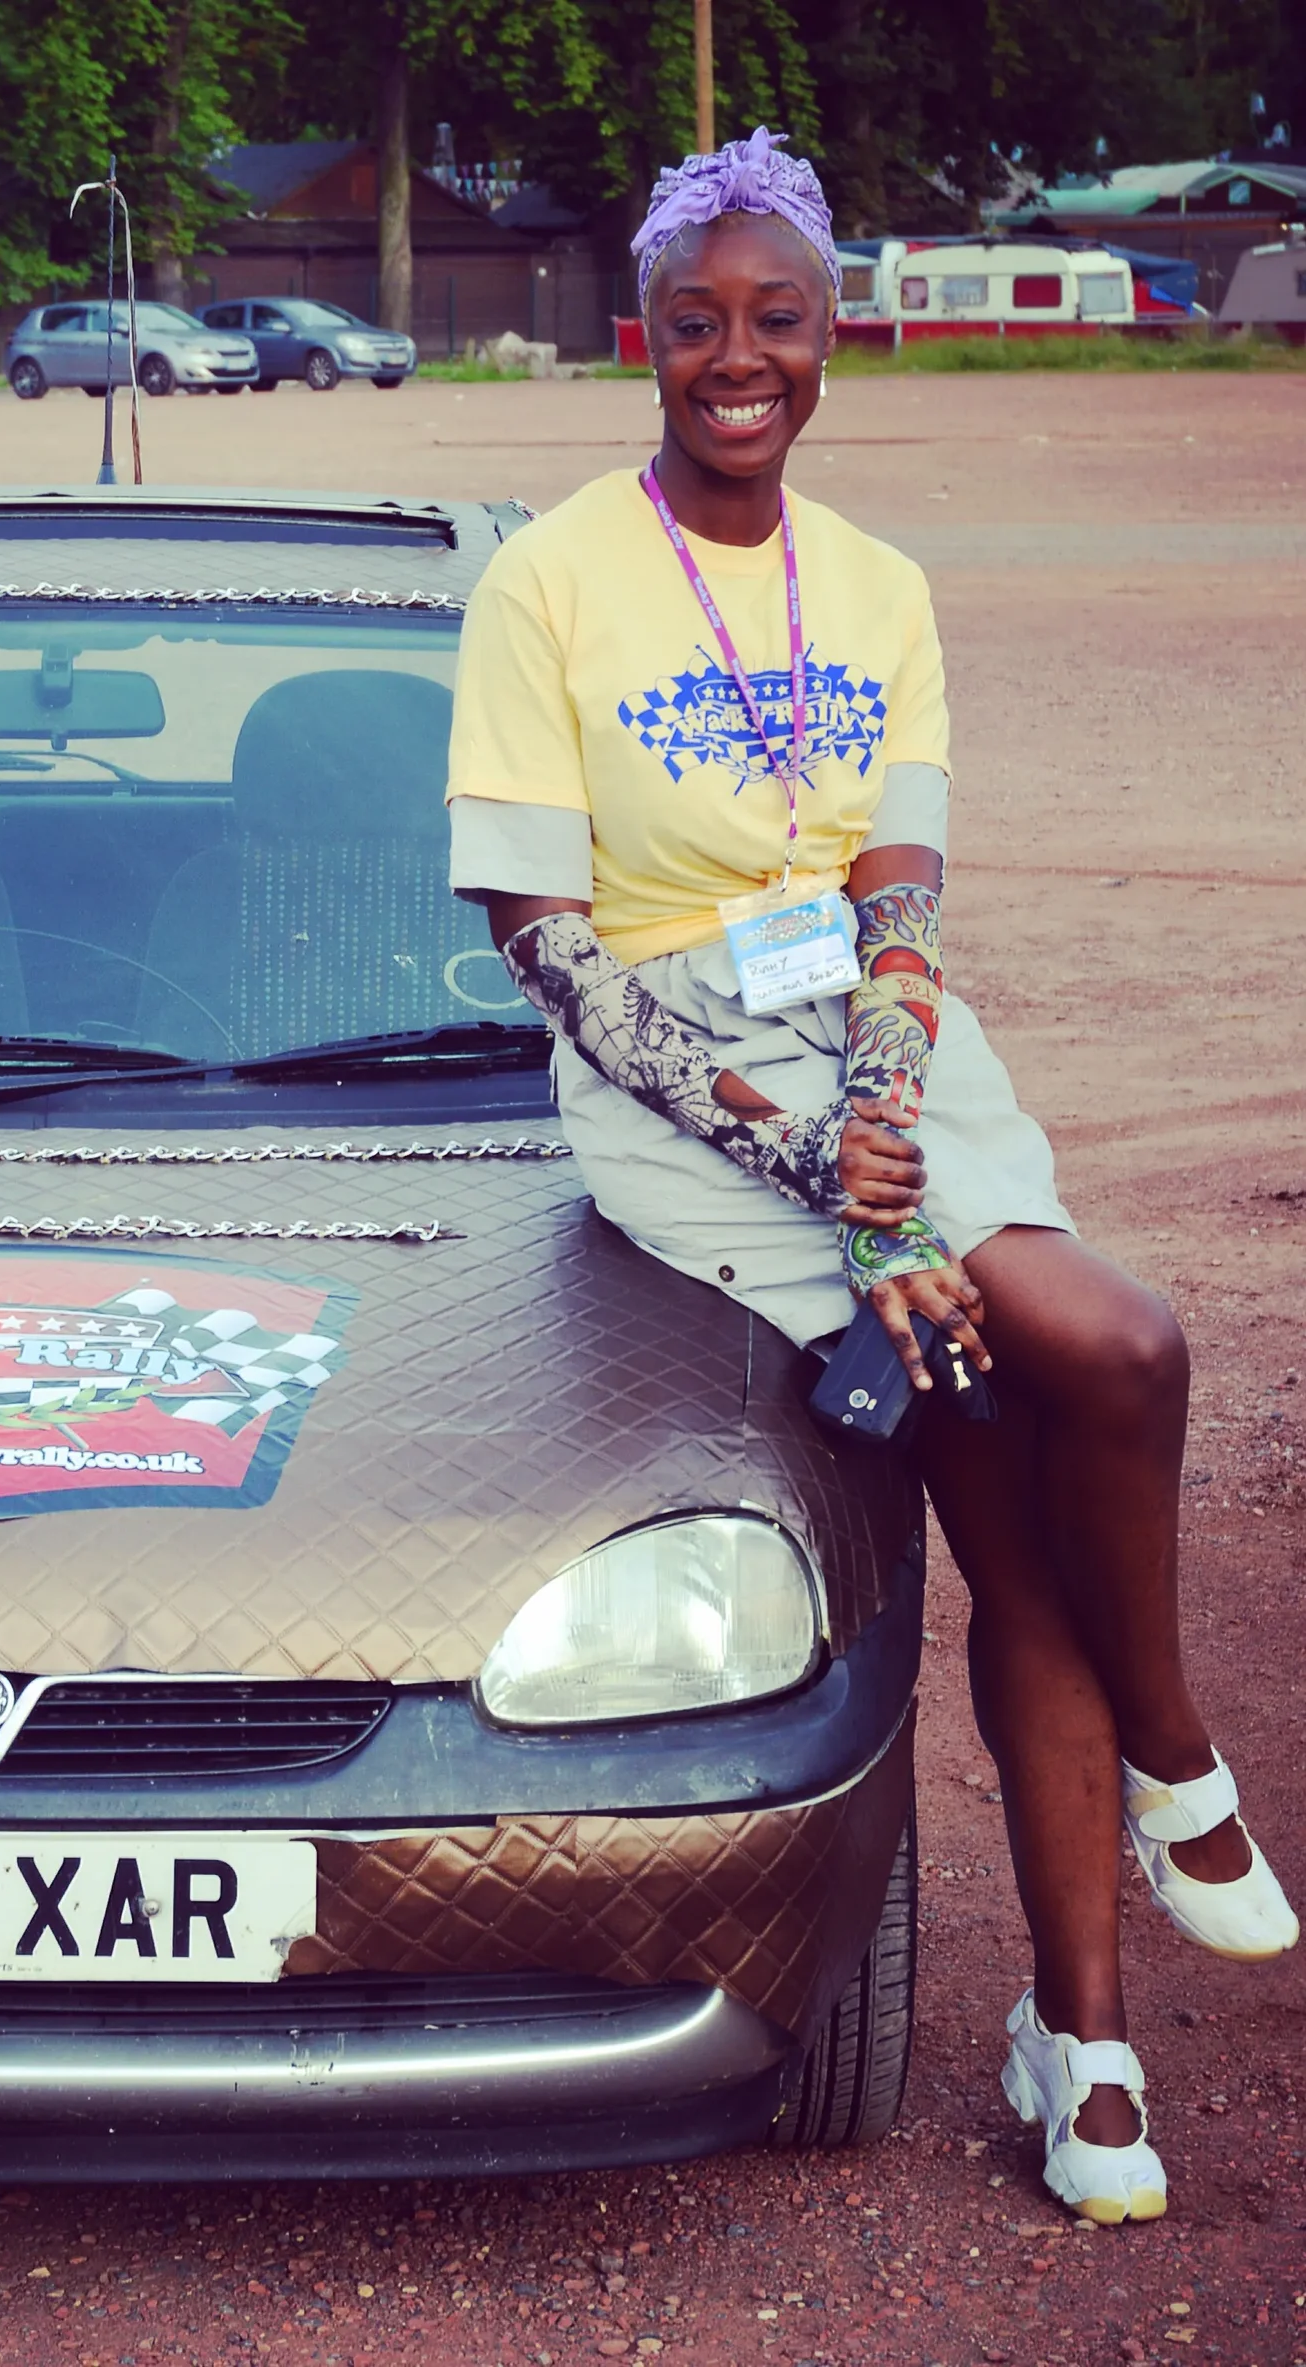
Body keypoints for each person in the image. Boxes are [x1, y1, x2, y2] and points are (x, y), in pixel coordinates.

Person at [445, 129, 1293, 2225]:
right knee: (1047, 1396)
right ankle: (1171, 1792)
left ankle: (1084, 2040)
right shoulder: (549, 577)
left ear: (832, 335)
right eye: (700, 323)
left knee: (1083, 1385)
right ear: (644, 335)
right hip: (681, 1096)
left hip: (880, 1057)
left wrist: (891, 1098)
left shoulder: (885, 590)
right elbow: (539, 944)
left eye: (781, 320)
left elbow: (894, 894)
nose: (739, 360)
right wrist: (833, 1171)